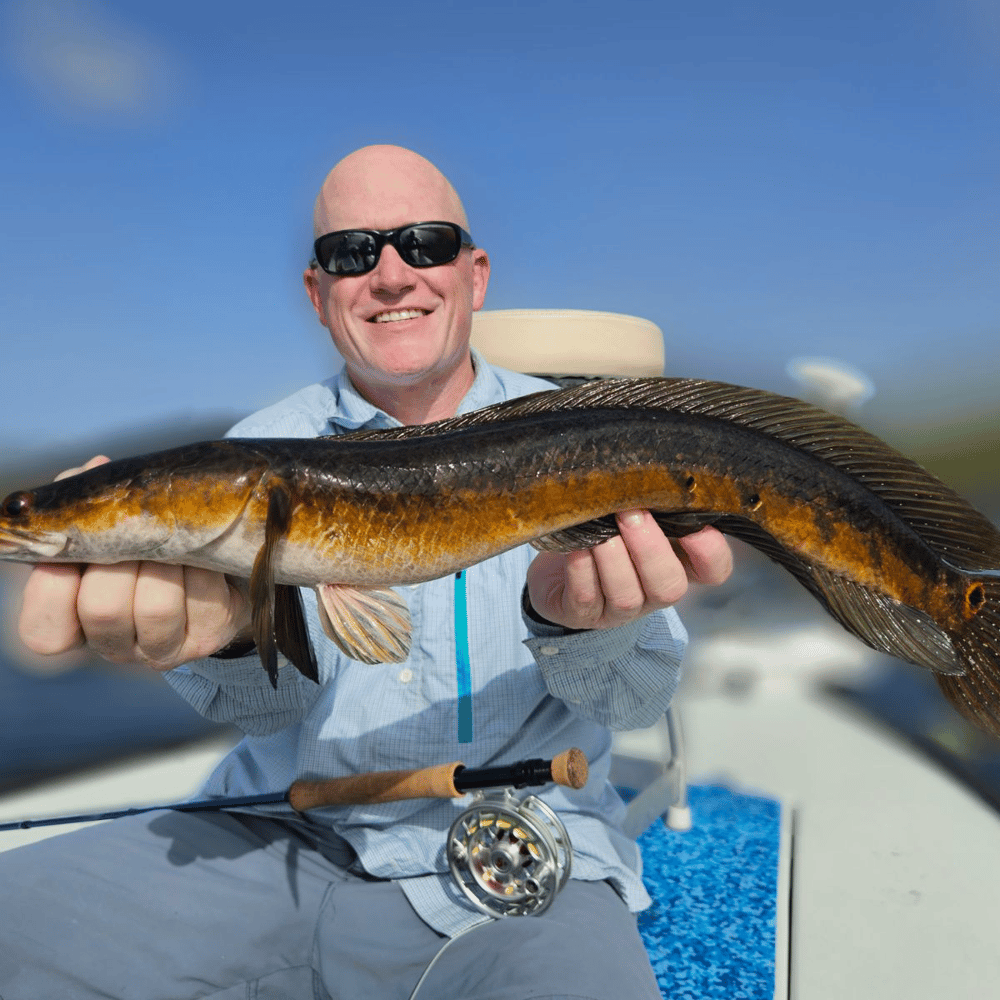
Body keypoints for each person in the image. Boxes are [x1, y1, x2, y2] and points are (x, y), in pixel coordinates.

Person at [2, 145, 732, 1000]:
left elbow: (635, 703)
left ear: (474, 274)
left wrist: (575, 626)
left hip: (531, 851)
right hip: (283, 836)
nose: (390, 274)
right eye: (351, 252)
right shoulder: (259, 444)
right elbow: (262, 712)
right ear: (318, 293)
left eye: (426, 242)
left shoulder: (588, 442)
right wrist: (234, 635)